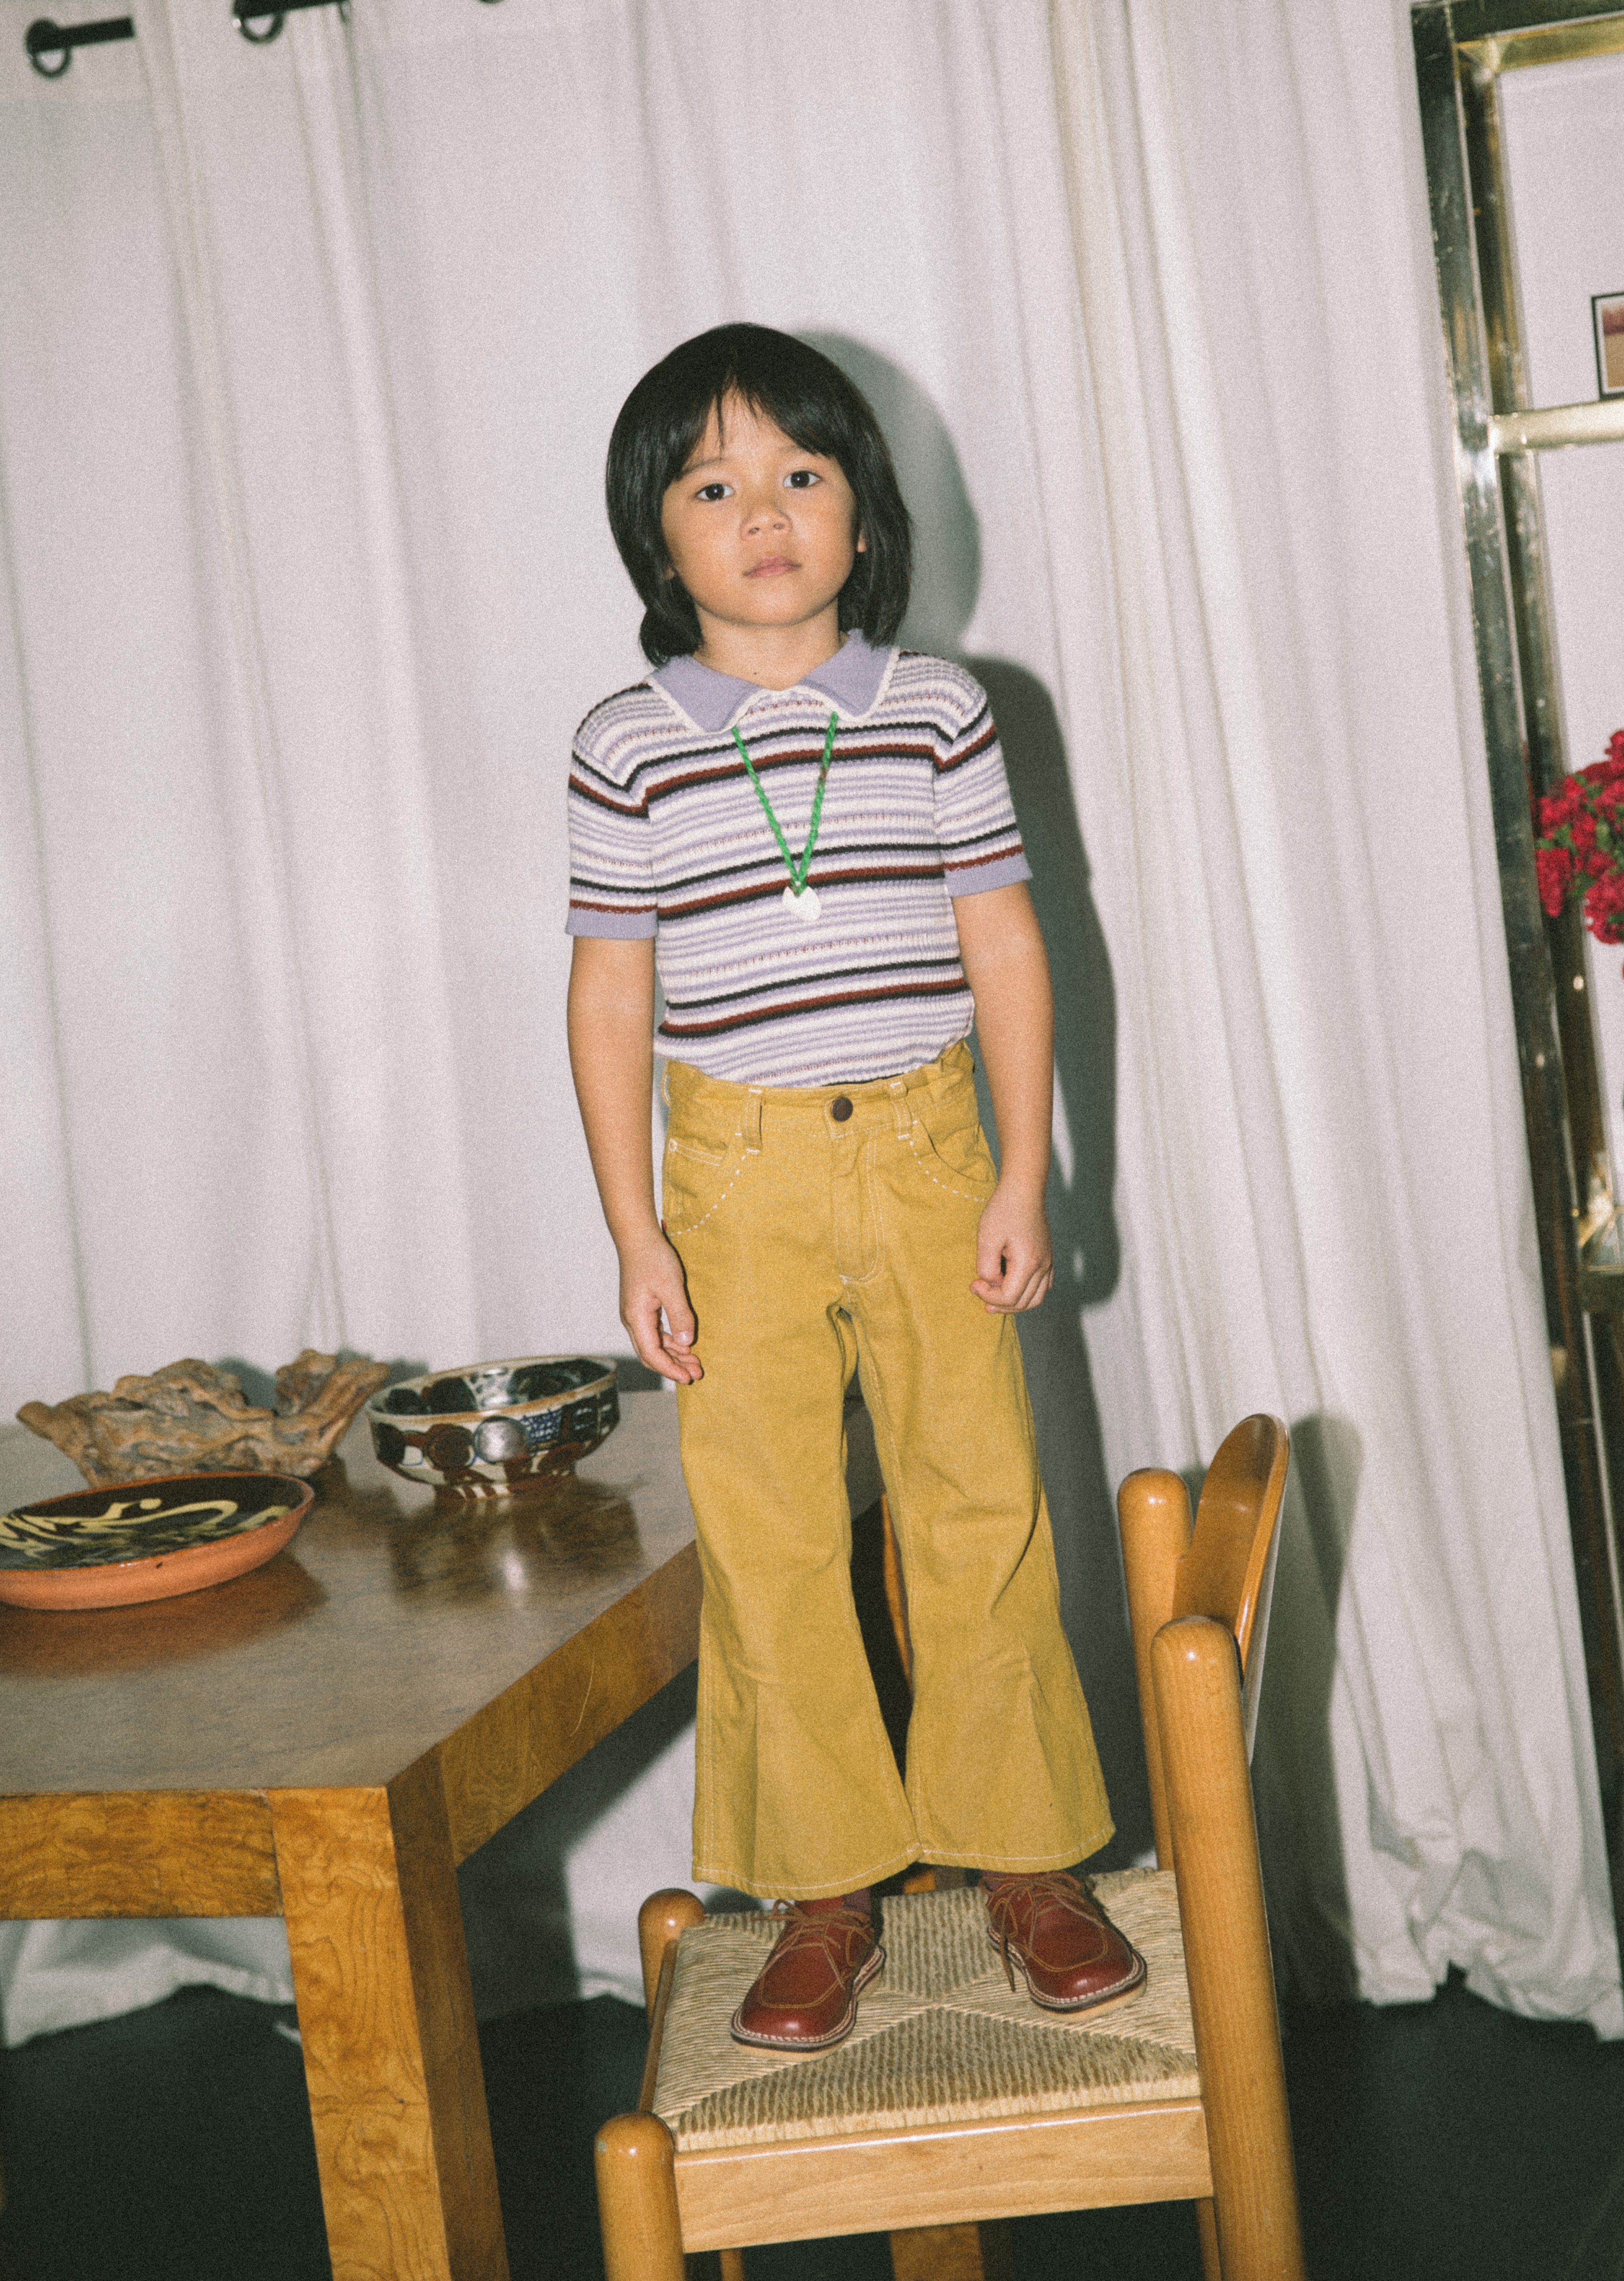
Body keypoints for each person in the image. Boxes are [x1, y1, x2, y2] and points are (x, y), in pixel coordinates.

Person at [565, 324, 1143, 2051]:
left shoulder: (940, 710)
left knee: (978, 1501)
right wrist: (635, 1230)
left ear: (864, 514)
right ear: (654, 536)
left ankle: (1023, 1855)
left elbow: (1008, 946)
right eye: (712, 485)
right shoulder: (624, 743)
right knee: (770, 1532)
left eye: (800, 473)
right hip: (730, 1180)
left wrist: (1025, 1172)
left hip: (924, 1153)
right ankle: (820, 1886)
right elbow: (609, 992)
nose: (763, 514)